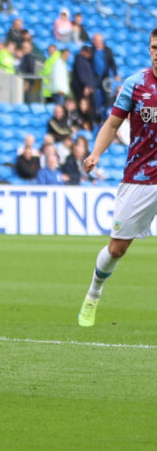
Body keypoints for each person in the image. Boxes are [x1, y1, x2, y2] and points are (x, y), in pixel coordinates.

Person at [78, 30, 157, 326]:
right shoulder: (135, 85)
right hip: (140, 178)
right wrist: (96, 153)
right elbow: (112, 125)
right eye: (154, 47)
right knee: (116, 250)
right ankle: (93, 294)